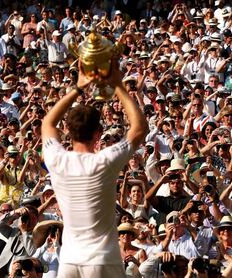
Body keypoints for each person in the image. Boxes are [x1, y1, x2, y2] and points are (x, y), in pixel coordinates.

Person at [41, 59, 148, 277]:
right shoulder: (104, 161)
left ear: (68, 132)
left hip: (69, 261)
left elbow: (47, 123)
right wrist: (118, 84)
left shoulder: (56, 158)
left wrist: (78, 87)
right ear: (98, 134)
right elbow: (139, 128)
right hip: (104, 260)